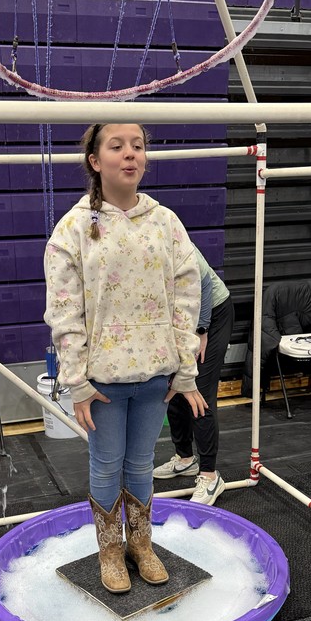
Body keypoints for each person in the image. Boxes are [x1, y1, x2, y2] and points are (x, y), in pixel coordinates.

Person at [44, 123, 206, 594]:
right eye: (117, 146)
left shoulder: (166, 222)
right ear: (95, 160)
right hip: (103, 382)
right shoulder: (72, 229)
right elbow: (65, 309)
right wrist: (75, 379)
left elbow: (185, 296)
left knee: (140, 464)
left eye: (138, 146)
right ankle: (110, 551)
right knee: (105, 463)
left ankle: (141, 543)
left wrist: (186, 370)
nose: (130, 155)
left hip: (155, 375)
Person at [153, 248, 234, 505]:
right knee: (174, 386)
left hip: (212, 314)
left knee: (198, 388)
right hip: (179, 318)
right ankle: (185, 459)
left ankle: (210, 476)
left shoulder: (166, 230)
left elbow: (205, 282)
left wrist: (202, 329)